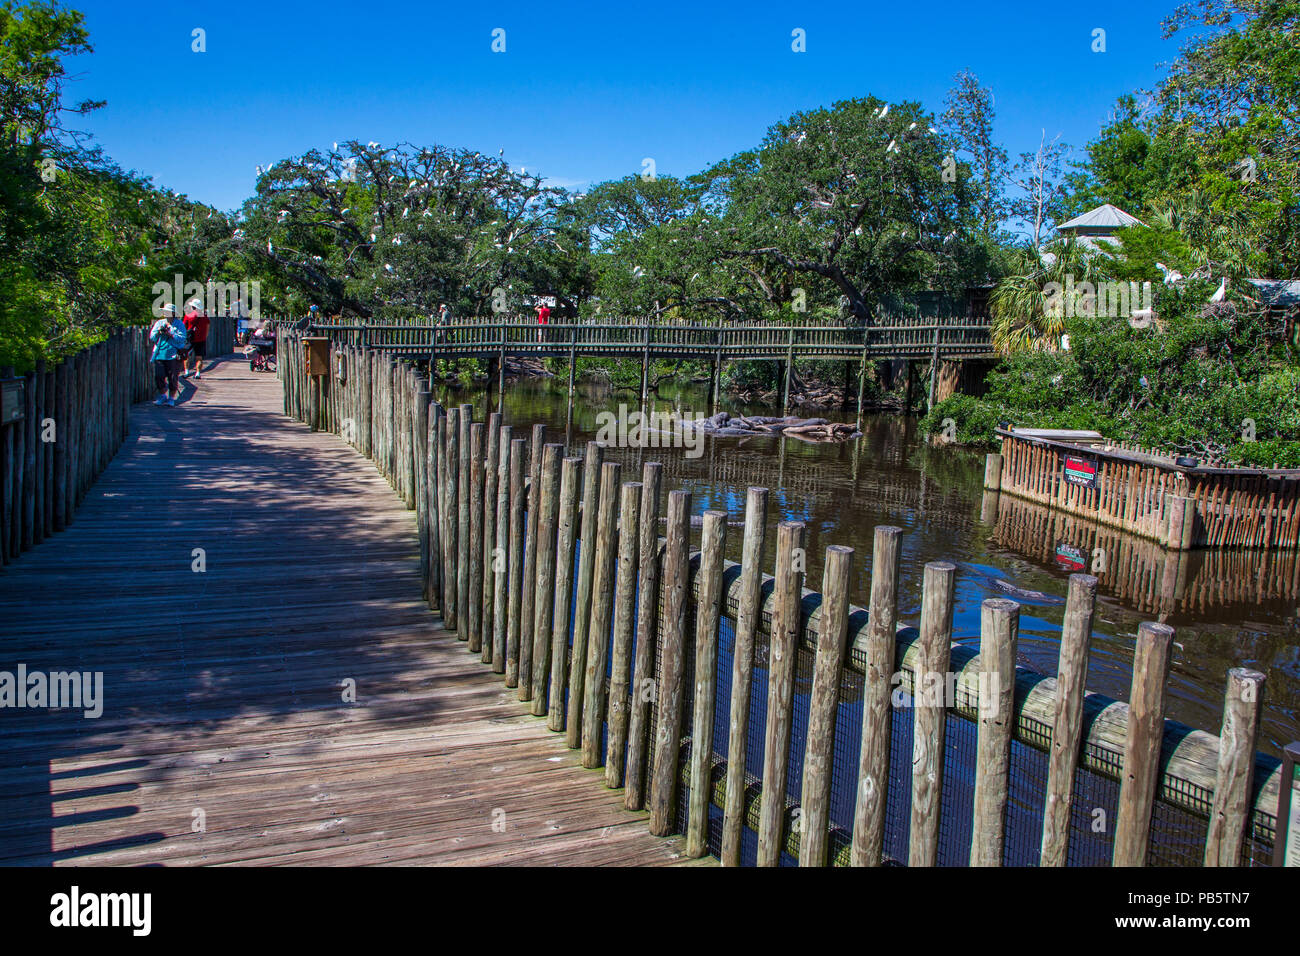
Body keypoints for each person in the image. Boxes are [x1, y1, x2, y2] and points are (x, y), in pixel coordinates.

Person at [149, 304, 188, 406]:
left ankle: (171, 398)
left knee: (172, 377)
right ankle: (162, 396)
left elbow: (182, 338)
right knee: (159, 376)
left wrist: (170, 334)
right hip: (160, 353)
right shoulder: (159, 323)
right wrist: (159, 332)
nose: (166, 313)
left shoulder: (179, 324)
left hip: (173, 355)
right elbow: (152, 337)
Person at [182, 299, 211, 380]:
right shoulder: (204, 316)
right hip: (201, 339)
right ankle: (197, 373)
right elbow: (208, 326)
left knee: (186, 355)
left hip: (190, 338)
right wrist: (205, 336)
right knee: (199, 357)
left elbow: (184, 326)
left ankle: (186, 372)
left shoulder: (188, 315)